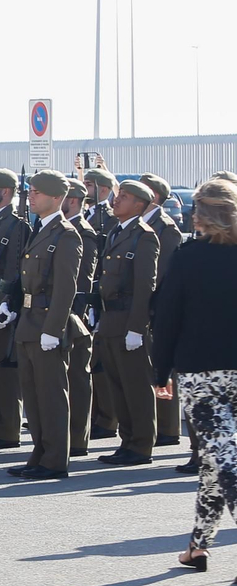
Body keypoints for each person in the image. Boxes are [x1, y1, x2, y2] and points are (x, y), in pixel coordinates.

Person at [150, 178, 237, 578]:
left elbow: (166, 317)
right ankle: (198, 546)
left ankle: (201, 545)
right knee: (214, 462)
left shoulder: (188, 256)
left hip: (202, 373)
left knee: (225, 461)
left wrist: (159, 369)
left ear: (201, 215)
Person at [9, 170, 83, 480]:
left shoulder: (65, 235)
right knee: (34, 396)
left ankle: (54, 460)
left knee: (51, 395)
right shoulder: (40, 231)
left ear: (56, 198)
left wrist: (53, 330)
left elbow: (66, 288)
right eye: (30, 191)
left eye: (37, 192)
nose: (31, 196)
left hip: (46, 326)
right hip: (29, 324)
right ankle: (40, 452)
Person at [94, 180, 161, 466]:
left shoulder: (144, 236)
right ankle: (127, 440)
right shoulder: (116, 232)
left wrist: (137, 327)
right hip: (111, 319)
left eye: (125, 197)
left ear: (139, 205)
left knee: (136, 386)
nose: (117, 200)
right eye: (118, 195)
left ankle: (141, 445)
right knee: (118, 386)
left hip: (128, 321)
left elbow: (146, 286)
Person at [0, 169, 29, 449]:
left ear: (7, 192)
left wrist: (6, 301)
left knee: (4, 371)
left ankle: (8, 429)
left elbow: (13, 268)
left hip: (2, 305)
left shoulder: (15, 225)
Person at [139, 173, 184, 447]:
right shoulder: (144, 223)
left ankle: (168, 428)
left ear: (152, 196)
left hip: (158, 307)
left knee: (163, 367)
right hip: (144, 306)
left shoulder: (165, 228)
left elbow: (162, 272)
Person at [63, 179, 100, 459]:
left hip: (73, 314)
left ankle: (77, 438)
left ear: (73, 200)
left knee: (76, 377)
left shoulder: (82, 232)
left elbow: (82, 280)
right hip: (60, 312)